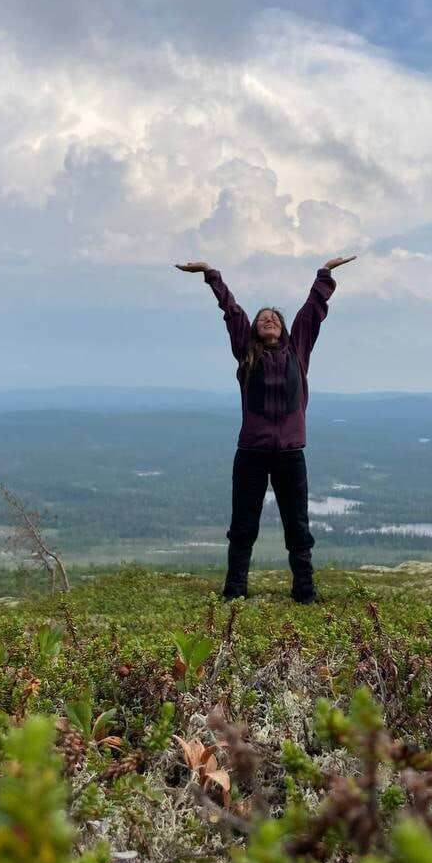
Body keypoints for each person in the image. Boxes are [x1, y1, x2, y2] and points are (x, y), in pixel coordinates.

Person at [175, 255, 356, 603]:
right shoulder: (246, 352)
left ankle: (305, 593)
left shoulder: (297, 351)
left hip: (291, 454)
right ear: (255, 330)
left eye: (274, 318)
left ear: (283, 328)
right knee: (243, 525)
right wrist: (211, 274)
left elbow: (311, 313)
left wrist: (325, 274)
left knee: (297, 526)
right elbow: (232, 312)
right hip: (251, 454)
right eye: (262, 319)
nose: (268, 320)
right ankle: (234, 592)